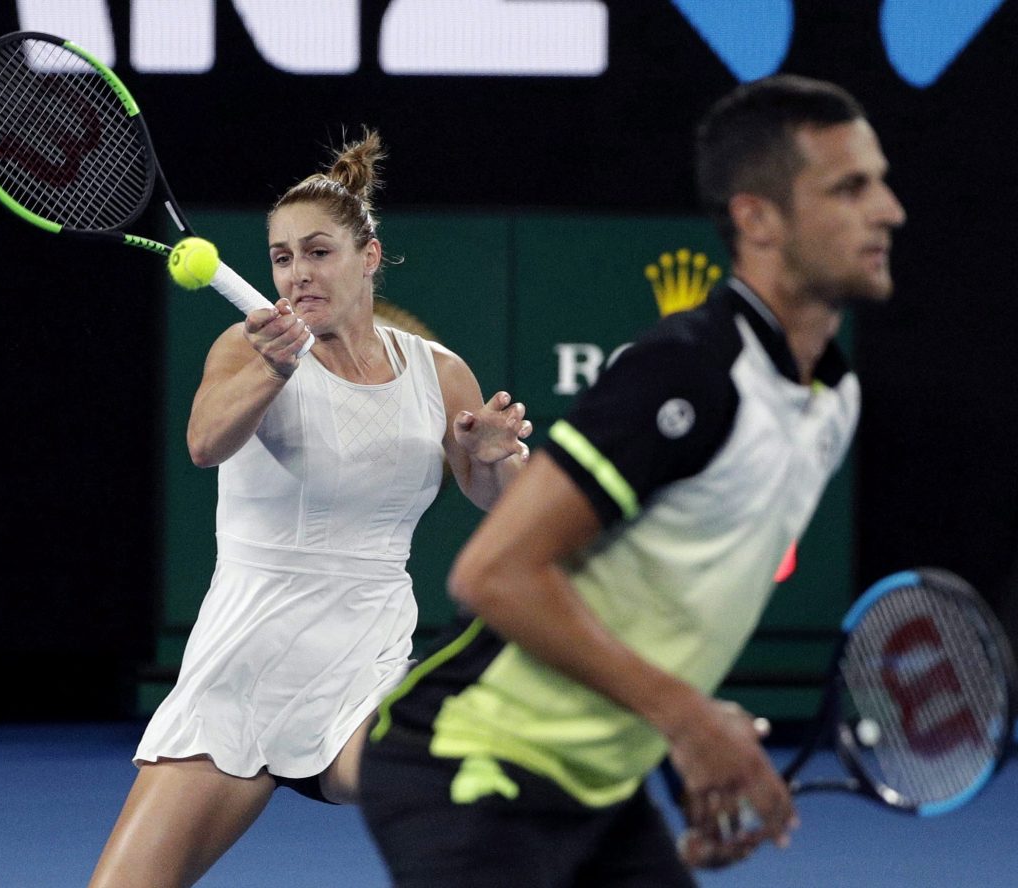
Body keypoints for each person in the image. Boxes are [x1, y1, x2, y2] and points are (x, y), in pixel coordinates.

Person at [359, 73, 906, 886]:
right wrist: (687, 719)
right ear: (757, 217)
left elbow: (663, 603)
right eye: (850, 188)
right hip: (467, 768)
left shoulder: (832, 399)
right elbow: (493, 574)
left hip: (599, 793)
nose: (888, 210)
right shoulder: (688, 374)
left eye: (882, 182)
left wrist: (684, 762)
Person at [88, 130, 531, 888]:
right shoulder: (247, 345)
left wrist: (496, 459)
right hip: (246, 665)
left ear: (369, 255)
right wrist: (272, 369)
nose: (297, 273)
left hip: (367, 662)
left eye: (318, 252)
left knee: (458, 784)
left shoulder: (439, 372)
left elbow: (504, 505)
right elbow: (204, 444)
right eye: (282, 257)